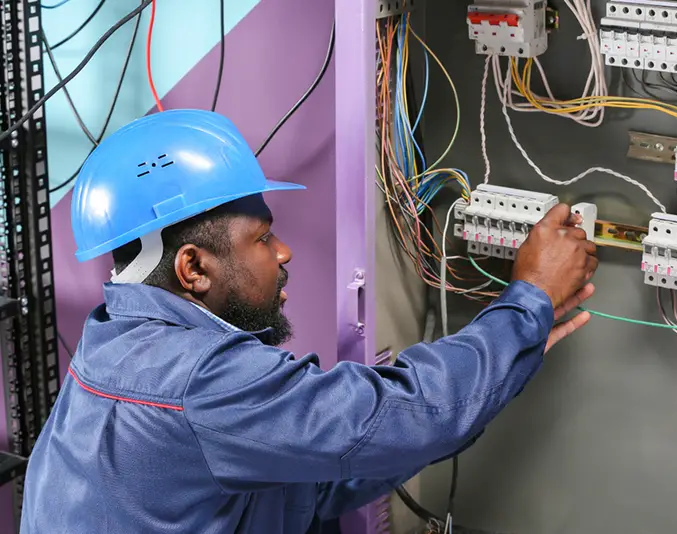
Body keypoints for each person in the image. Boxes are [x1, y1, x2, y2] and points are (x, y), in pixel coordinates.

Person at [20, 109, 597, 534]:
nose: (284, 252)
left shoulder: (118, 339)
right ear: (193, 267)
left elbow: (315, 474)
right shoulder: (194, 379)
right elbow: (401, 417)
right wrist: (527, 299)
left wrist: (501, 358)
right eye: (263, 238)